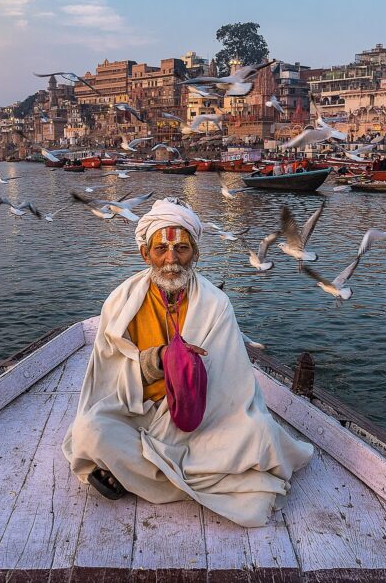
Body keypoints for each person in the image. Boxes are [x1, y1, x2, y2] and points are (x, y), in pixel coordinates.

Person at [64, 198, 313, 527]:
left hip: (203, 417)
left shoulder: (216, 304)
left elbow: (231, 387)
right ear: (145, 254)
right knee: (90, 431)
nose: (171, 260)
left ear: (196, 253)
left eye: (181, 249)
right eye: (161, 250)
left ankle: (131, 473)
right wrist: (159, 360)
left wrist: (185, 378)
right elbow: (110, 378)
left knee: (262, 434)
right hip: (139, 412)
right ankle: (177, 472)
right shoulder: (121, 302)